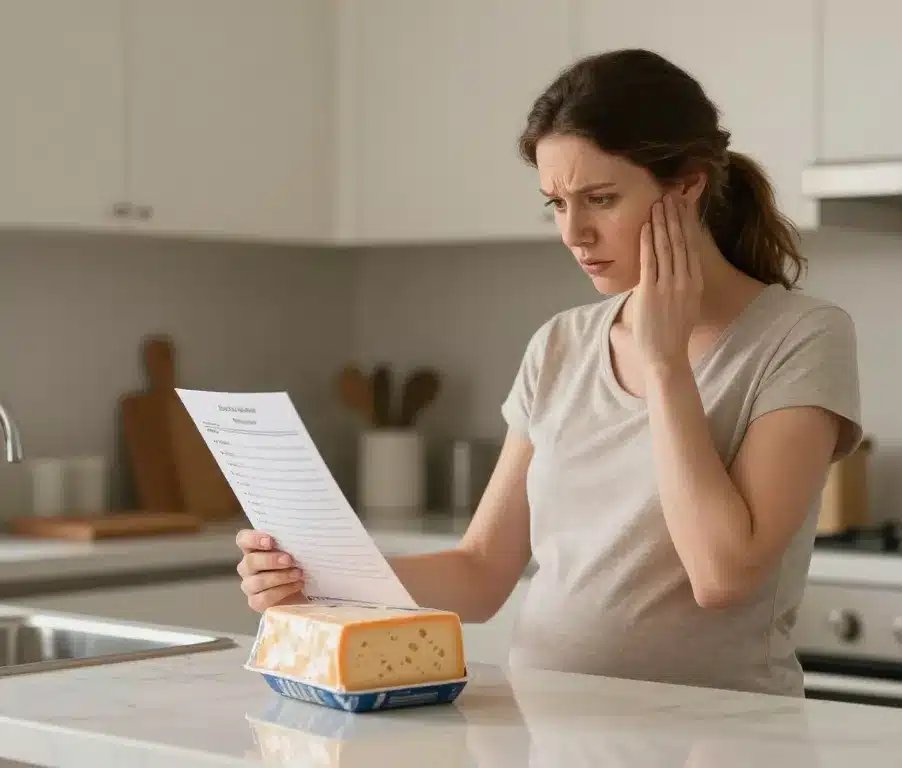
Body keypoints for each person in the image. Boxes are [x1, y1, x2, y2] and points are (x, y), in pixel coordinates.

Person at [235, 48, 862, 698]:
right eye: (556, 203)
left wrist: (664, 362)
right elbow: (481, 574)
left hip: (716, 739)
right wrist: (319, 575)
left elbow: (723, 577)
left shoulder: (800, 337)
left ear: (687, 186)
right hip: (545, 728)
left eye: (601, 199)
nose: (574, 233)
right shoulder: (560, 344)